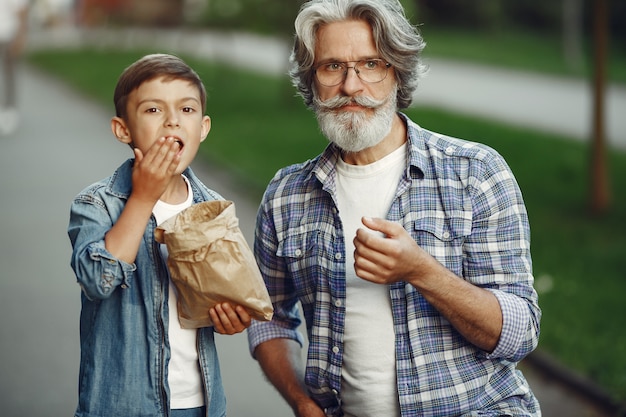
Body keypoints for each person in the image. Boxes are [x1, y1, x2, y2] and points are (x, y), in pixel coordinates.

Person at [247, 1, 542, 416]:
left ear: (397, 71)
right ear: (311, 81)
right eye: (332, 67)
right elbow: (268, 317)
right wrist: (300, 401)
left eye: (370, 64)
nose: (351, 86)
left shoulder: (475, 173)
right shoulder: (286, 195)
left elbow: (519, 333)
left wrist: (421, 271)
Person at [68, 53, 251, 417]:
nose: (172, 122)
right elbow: (97, 280)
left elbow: (227, 293)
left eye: (187, 110)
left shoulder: (213, 208)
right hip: (121, 404)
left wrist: (232, 315)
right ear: (123, 130)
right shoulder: (97, 203)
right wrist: (143, 197)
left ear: (203, 127)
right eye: (153, 111)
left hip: (200, 404)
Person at [0, 0, 28, 136]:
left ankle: (9, 111)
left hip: (7, 34)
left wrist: (20, 36)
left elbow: (21, 11)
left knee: (9, 75)